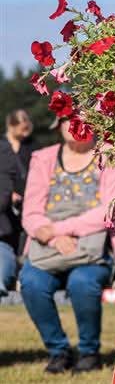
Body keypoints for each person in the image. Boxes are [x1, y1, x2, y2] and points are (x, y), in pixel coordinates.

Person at [18, 116, 115, 373]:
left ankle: (89, 352)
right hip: (49, 245)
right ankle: (58, 350)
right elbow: (30, 213)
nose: (70, 125)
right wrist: (54, 237)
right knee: (31, 282)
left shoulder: (109, 155)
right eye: (65, 120)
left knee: (82, 283)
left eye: (78, 120)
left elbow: (111, 210)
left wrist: (62, 229)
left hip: (93, 248)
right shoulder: (43, 158)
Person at [1, 109, 35, 291]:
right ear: (11, 126)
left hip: (26, 201)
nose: (24, 134)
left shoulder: (30, 147)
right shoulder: (2, 147)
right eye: (21, 129)